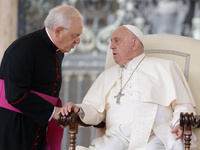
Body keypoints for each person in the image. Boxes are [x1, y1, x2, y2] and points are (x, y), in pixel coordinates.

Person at [61, 25, 198, 150]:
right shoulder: (106, 76)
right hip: (116, 136)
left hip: (156, 132)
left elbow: (183, 104)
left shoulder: (165, 67)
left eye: (117, 41)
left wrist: (179, 124)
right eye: (111, 42)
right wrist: (78, 109)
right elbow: (94, 110)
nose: (111, 47)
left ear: (134, 43)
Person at [0, 5, 83, 150]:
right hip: (15, 127)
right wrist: (53, 111)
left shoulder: (58, 51)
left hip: (37, 122)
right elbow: (15, 95)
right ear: (58, 31)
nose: (78, 41)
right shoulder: (22, 49)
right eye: (75, 35)